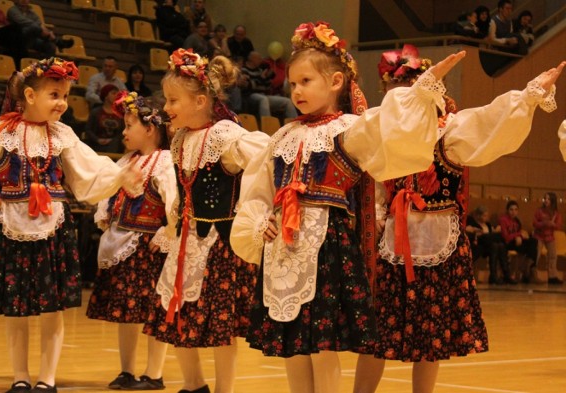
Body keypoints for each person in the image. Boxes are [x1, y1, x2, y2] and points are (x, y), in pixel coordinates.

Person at [231, 23, 465, 393]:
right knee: (294, 348)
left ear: (336, 81)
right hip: (283, 254)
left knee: (323, 348)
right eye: (292, 84)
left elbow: (389, 128)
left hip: (327, 251)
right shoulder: (282, 136)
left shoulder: (347, 130)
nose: (297, 91)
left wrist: (419, 93)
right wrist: (260, 222)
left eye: (306, 81)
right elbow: (257, 189)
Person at [353, 46, 563, 393]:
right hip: (394, 246)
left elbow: (489, 123)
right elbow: (378, 194)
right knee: (377, 336)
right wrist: (374, 230)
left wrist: (528, 97)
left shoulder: (449, 133)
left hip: (439, 243)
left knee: (430, 340)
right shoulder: (385, 139)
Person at [0, 57, 144, 393]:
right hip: (13, 226)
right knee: (17, 309)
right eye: (55, 94)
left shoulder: (62, 135)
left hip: (53, 228)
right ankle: (20, 376)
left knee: (52, 308)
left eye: (65, 95)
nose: (63, 103)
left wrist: (119, 176)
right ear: (29, 94)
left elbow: (87, 173)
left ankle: (47, 379)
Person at [143, 48, 269, 393]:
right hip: (189, 239)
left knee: (220, 324)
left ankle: (224, 388)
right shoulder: (181, 138)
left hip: (219, 242)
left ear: (200, 101)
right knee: (180, 312)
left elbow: (265, 159)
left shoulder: (225, 135)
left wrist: (257, 211)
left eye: (172, 101)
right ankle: (193, 384)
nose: (165, 108)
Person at [86, 91, 175, 390]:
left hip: (149, 248)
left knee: (154, 312)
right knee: (127, 313)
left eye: (129, 126)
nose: (123, 132)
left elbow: (175, 203)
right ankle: (127, 370)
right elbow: (110, 193)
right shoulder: (127, 161)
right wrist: (106, 212)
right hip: (125, 245)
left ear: (150, 129)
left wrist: (167, 232)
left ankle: (155, 372)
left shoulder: (165, 162)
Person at [241, 51, 297, 121]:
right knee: (263, 99)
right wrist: (261, 78)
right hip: (251, 96)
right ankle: (268, 124)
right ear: (252, 59)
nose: (261, 60)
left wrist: (268, 77)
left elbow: (266, 87)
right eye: (258, 58)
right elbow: (248, 87)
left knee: (287, 101)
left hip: (264, 95)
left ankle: (295, 122)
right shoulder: (244, 70)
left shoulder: (260, 70)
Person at [7, 0, 74, 58]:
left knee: (50, 46)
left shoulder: (32, 13)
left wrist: (48, 32)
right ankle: (57, 41)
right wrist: (47, 33)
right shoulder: (13, 10)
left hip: (31, 40)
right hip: (18, 38)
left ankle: (45, 70)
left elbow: (40, 25)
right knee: (33, 27)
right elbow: (23, 21)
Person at [466, 205, 516, 284]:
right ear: (478, 215)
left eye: (487, 215)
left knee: (498, 245)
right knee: (495, 239)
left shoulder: (488, 225)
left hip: (490, 247)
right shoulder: (474, 223)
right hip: (481, 246)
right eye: (484, 215)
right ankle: (498, 275)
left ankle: (500, 275)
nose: (486, 217)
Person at [499, 200, 539, 283]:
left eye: (516, 209)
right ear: (507, 210)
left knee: (533, 241)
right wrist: (518, 235)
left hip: (517, 242)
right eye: (511, 209)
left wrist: (521, 235)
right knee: (531, 249)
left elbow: (520, 233)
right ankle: (527, 272)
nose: (513, 212)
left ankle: (527, 268)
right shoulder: (503, 219)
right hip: (508, 243)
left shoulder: (517, 220)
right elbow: (506, 237)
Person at [533, 192, 564, 285]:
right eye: (545, 198)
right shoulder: (539, 211)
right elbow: (534, 223)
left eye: (548, 199)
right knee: (536, 255)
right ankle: (531, 275)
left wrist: (552, 224)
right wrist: (544, 223)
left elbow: (558, 226)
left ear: (553, 201)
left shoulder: (556, 213)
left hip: (550, 237)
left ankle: (552, 276)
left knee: (552, 256)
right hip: (539, 236)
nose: (546, 200)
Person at [84, 84, 124, 153]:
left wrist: (112, 141)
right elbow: (88, 130)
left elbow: (122, 132)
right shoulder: (95, 112)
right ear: (105, 96)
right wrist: (97, 140)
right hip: (96, 145)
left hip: (115, 147)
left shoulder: (121, 114)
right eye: (113, 93)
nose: (117, 96)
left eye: (118, 94)